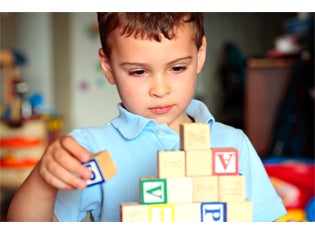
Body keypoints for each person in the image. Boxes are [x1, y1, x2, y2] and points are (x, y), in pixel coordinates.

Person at [7, 12, 287, 222]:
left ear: (200, 54)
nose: (160, 90)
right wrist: (45, 179)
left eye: (177, 68)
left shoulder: (233, 144)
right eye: (138, 72)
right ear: (108, 67)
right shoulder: (88, 149)